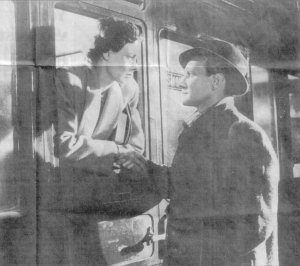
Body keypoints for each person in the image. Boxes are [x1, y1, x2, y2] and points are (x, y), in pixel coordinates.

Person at [149, 39, 279, 266]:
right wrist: (146, 169)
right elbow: (193, 188)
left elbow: (255, 222)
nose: (182, 81)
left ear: (216, 81)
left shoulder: (244, 134)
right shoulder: (202, 128)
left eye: (190, 74)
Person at [40, 17, 146, 265]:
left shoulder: (128, 89)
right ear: (107, 54)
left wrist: (120, 154)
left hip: (105, 204)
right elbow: (65, 145)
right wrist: (117, 152)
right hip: (65, 201)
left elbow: (136, 147)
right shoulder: (69, 81)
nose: (136, 63)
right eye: (130, 56)